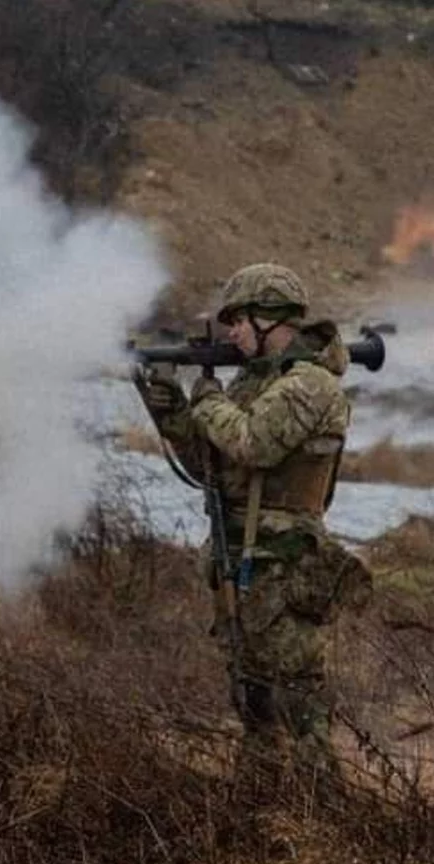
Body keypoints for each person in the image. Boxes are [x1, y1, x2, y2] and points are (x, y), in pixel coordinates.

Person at [139, 263, 367, 784]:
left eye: (239, 321)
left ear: (270, 319)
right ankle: (260, 811)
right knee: (252, 700)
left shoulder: (310, 385)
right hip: (241, 561)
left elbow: (254, 444)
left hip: (284, 565)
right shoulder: (251, 382)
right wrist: (170, 412)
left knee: (297, 701)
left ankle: (325, 821)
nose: (231, 333)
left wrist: (206, 396)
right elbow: (210, 467)